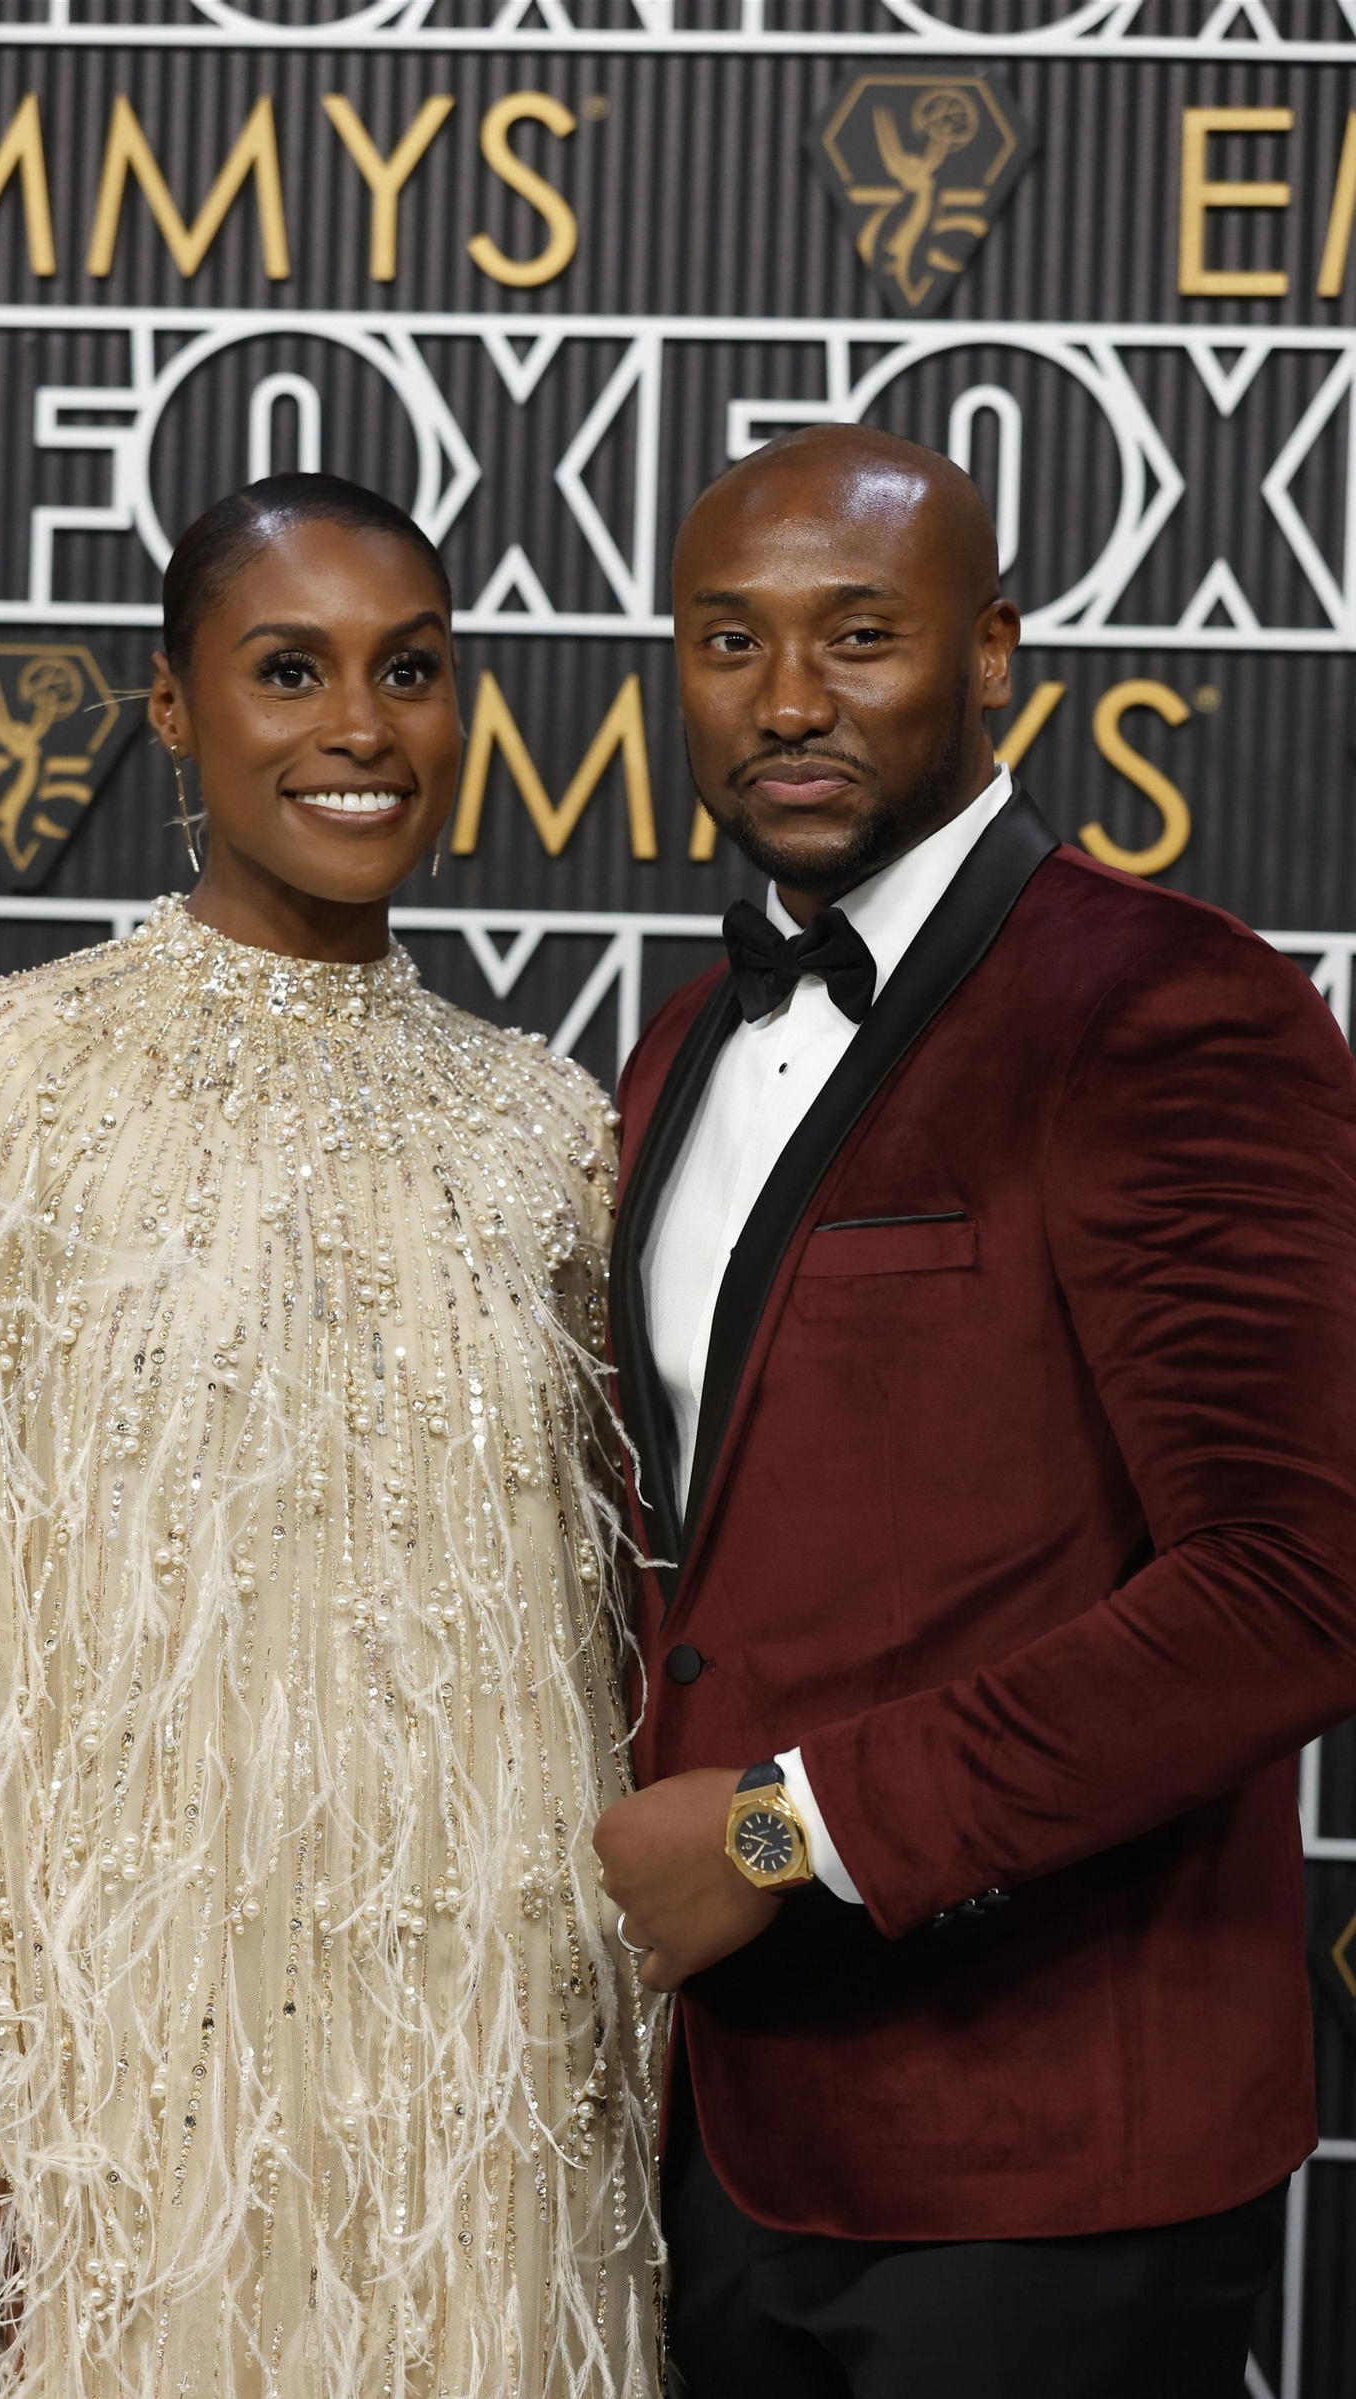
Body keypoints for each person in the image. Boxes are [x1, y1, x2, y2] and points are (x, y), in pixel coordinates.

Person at [0, 473, 661, 2399]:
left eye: (410, 670)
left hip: (483, 2072)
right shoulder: (0, 1083)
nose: (361, 727)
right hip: (116, 2066)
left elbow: (605, 1643)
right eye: (289, 670)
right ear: (173, 708)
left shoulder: (549, 1133)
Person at [591, 425, 1356, 2398]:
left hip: (1047, 2161)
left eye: (857, 637)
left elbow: (1295, 1586)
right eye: (728, 641)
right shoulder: (682, 1042)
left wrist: (783, 1830)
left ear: (993, 651)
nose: (785, 700)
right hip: (714, 2137)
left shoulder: (1161, 1005)